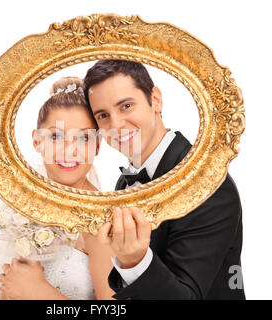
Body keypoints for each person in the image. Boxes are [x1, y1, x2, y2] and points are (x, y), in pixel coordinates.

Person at [84, 60, 245, 299]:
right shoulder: (123, 183)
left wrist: (134, 261)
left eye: (126, 106)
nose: (116, 124)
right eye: (103, 115)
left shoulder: (205, 184)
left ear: (155, 100)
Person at [0, 77, 116, 300]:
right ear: (36, 141)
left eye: (83, 138)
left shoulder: (100, 221)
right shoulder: (25, 207)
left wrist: (40, 293)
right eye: (55, 136)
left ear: (97, 146)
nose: (68, 150)